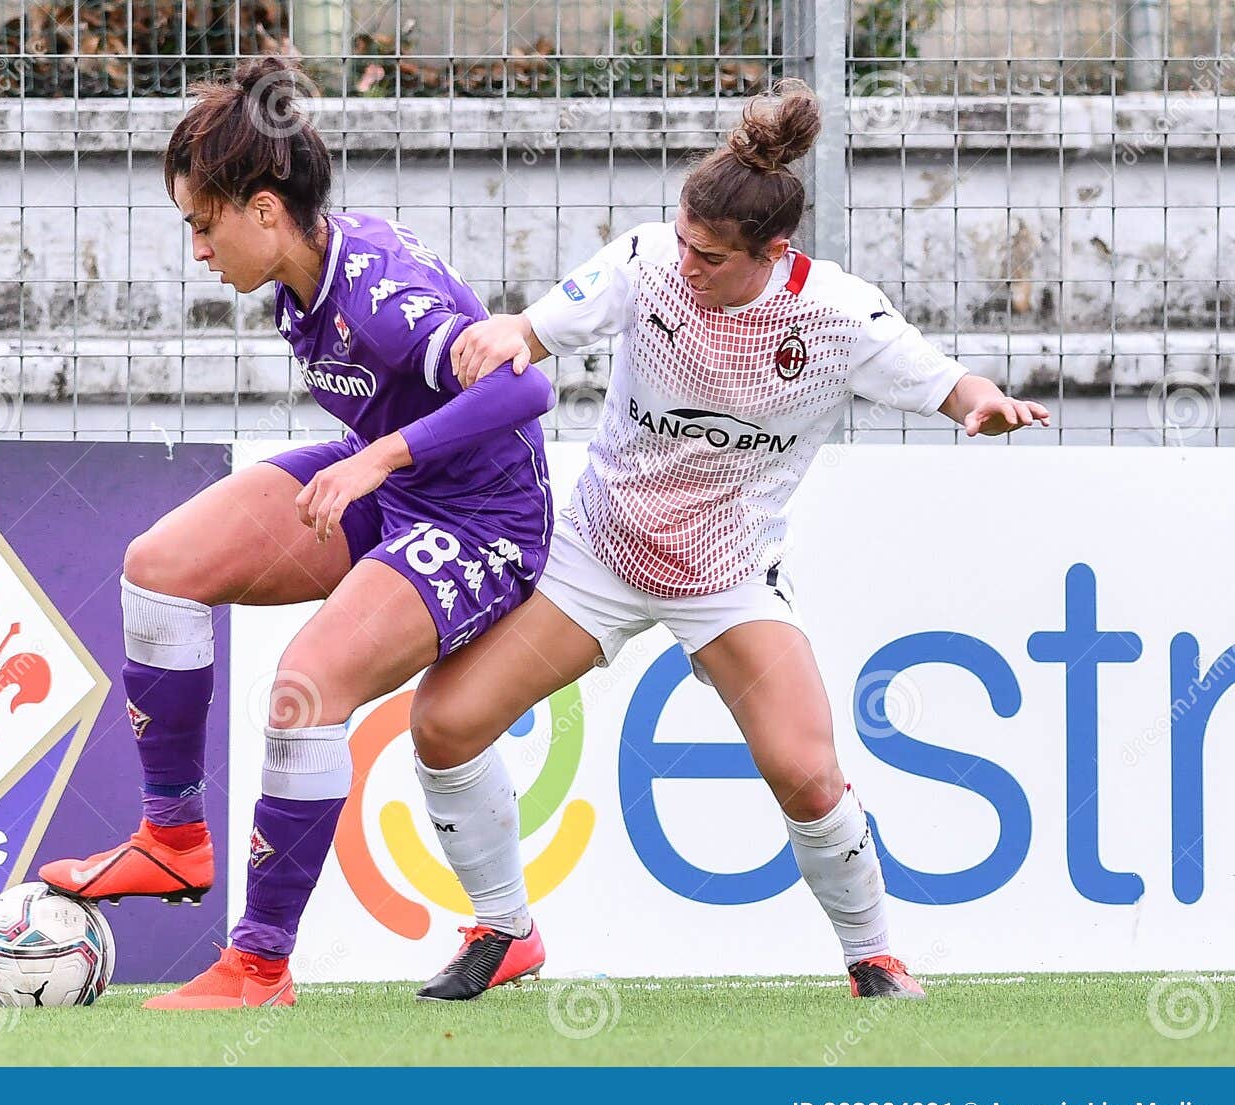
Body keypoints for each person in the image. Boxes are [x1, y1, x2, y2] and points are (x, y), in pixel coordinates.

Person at [405, 79, 1050, 1001]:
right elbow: (535, 330)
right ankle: (504, 929)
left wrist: (984, 405)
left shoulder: (839, 315)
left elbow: (952, 385)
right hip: (600, 553)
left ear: (773, 253)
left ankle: (874, 957)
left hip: (729, 577)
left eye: (708, 255)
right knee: (444, 721)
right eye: (680, 240)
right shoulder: (648, 264)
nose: (686, 263)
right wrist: (502, 335)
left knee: (806, 771)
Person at [38, 57, 555, 1010]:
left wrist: (377, 458)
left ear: (265, 210)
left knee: (304, 688)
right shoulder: (299, 274)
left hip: (481, 522)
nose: (197, 249)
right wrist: (378, 462)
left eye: (203, 225)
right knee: (159, 568)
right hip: (394, 483)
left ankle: (259, 966)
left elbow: (526, 386)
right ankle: (172, 837)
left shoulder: (381, 300)